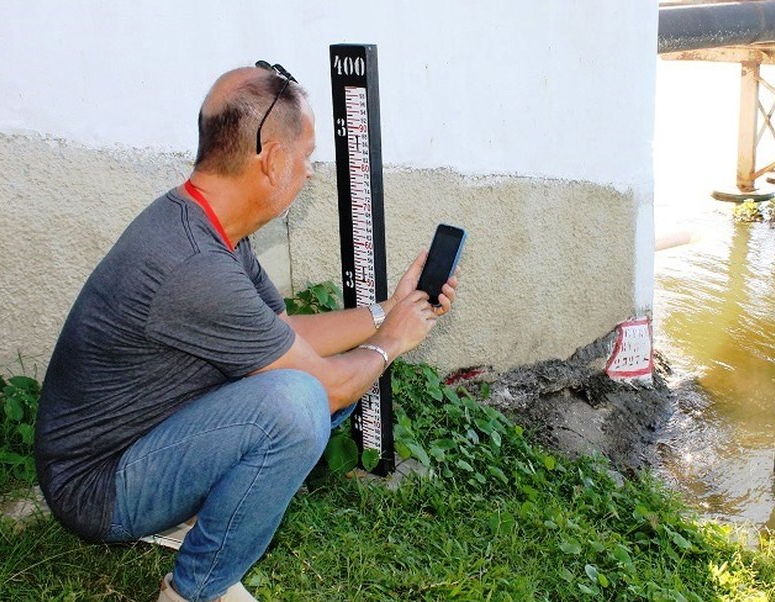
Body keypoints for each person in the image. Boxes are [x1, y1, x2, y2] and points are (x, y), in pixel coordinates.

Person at [35, 62, 458, 602]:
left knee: (310, 382)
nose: (308, 173)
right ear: (275, 160)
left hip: (140, 442)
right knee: (298, 405)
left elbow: (285, 333)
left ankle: (196, 511)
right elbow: (323, 386)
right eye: (306, 158)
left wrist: (385, 312)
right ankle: (194, 591)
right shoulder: (192, 265)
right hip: (97, 488)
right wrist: (394, 341)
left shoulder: (211, 226)